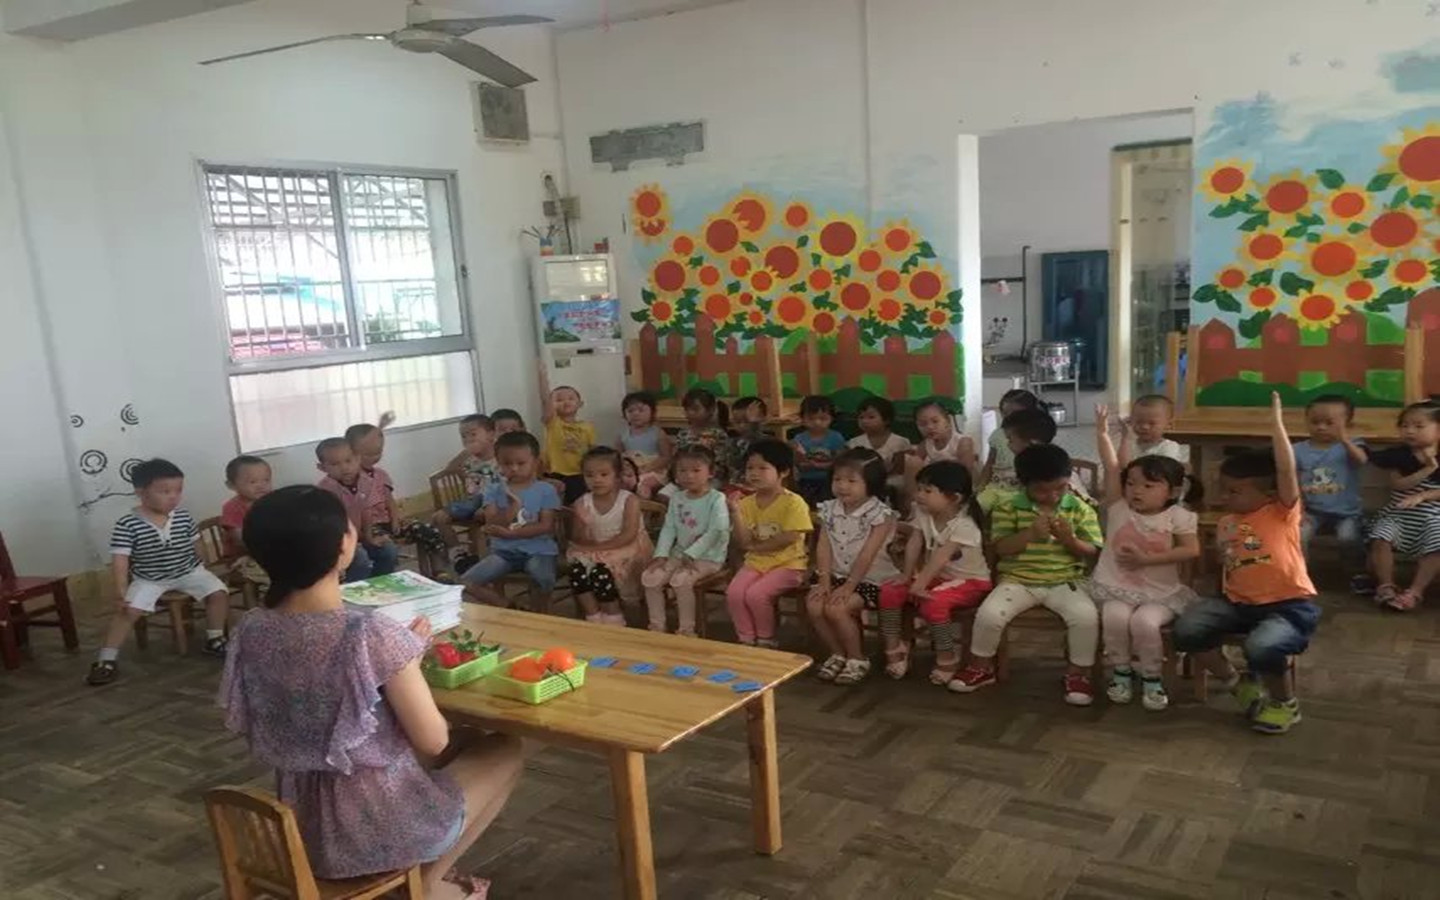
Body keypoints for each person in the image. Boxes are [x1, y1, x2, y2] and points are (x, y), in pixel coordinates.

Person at [220, 485, 524, 900]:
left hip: (301, 822)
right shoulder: (368, 633)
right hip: (377, 826)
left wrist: (401, 653)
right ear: (344, 546)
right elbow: (434, 741)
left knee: (469, 740)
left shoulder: (252, 627)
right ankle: (428, 883)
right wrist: (404, 658)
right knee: (504, 748)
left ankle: (416, 882)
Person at [1172, 392, 1319, 734]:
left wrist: (1276, 425)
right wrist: (1220, 557)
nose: (1224, 496)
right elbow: (1228, 564)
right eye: (1223, 489)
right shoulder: (1226, 522)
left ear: (1268, 493)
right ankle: (1237, 683)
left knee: (1262, 646)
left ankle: (1284, 703)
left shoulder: (1281, 512)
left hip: (1288, 605)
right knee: (1186, 629)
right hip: (1237, 603)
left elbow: (1285, 469)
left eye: (1234, 491)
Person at [949, 444, 1104, 706]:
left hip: (1066, 581)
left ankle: (1078, 675)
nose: (1053, 496)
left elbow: (1093, 551)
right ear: (1024, 484)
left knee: (1086, 618)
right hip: (1017, 580)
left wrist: (1070, 540)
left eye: (1061, 487)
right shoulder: (1008, 506)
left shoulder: (1080, 508)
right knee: (989, 614)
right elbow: (1001, 548)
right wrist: (1030, 534)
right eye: (1042, 490)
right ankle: (981, 667)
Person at [1091, 405, 1201, 711]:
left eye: (1148, 486)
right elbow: (1113, 466)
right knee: (1114, 618)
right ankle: (1121, 671)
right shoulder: (1118, 507)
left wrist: (1147, 560)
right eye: (1131, 484)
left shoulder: (1179, 516)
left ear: (1172, 492)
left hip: (1160, 592)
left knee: (1145, 623)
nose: (1136, 491)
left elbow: (1191, 550)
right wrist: (1104, 434)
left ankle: (1152, 676)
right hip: (1115, 587)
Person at [87, 459, 231, 686]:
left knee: (218, 594)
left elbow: (198, 544)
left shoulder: (183, 516)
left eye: (178, 490)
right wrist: (120, 591)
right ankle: (106, 660)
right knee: (128, 611)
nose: (173, 496)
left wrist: (207, 568)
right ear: (140, 492)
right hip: (150, 579)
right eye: (165, 491)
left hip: (189, 571)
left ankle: (215, 639)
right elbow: (120, 560)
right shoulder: (127, 524)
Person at [879, 461, 992, 685]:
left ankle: (947, 658)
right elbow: (915, 542)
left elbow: (941, 556)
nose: (919, 495)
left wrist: (920, 584)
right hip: (938, 578)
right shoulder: (924, 513)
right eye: (919, 488)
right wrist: (907, 575)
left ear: (954, 498)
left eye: (928, 491)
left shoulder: (965, 524)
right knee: (889, 591)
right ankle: (895, 649)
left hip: (971, 583)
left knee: (933, 604)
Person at [808, 449, 899, 686]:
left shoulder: (880, 514)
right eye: (837, 479)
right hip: (835, 574)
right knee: (815, 605)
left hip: (871, 579)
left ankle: (857, 658)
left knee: (836, 609)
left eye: (851, 481)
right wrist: (824, 580)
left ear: (871, 483)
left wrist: (849, 586)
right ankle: (838, 654)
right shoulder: (829, 509)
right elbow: (823, 546)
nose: (842, 486)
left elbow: (868, 554)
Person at [459, 431, 562, 610]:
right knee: (466, 582)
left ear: (535, 462)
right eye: (507, 463)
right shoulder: (493, 489)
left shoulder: (546, 490)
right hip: (503, 552)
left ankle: (539, 615)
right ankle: (511, 608)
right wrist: (514, 506)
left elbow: (546, 525)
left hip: (539, 550)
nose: (514, 468)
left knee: (544, 578)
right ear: (498, 463)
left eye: (521, 463)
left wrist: (511, 534)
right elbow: (492, 523)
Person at [727, 439, 814, 647]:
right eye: (750, 468)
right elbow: (743, 541)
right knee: (734, 593)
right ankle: (746, 638)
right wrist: (735, 512)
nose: (754, 474)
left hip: (789, 565)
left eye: (762, 468)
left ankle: (766, 639)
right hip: (756, 563)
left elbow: (790, 537)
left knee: (756, 594)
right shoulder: (746, 503)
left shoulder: (793, 502)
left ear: (783, 472)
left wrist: (755, 547)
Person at [642, 446, 730, 635]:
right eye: (682, 470)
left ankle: (686, 630)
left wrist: (692, 553)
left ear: (710, 472)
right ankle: (657, 626)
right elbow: (669, 528)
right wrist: (661, 554)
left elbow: (717, 530)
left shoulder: (717, 499)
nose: (689, 476)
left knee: (681, 580)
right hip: (679, 554)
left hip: (709, 557)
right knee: (651, 577)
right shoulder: (677, 498)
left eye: (696, 470)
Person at [1293, 394, 1370, 593]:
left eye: (1329, 423)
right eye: (1315, 422)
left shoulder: (1353, 445)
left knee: (1348, 538)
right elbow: (1293, 480)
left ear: (1347, 424)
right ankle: (1299, 574)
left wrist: (1344, 439)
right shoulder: (1298, 450)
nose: (1321, 427)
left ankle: (1357, 573)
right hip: (1312, 510)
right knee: (1299, 534)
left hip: (1347, 512)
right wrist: (1299, 508)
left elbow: (1361, 461)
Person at [567, 447, 651, 626]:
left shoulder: (629, 500)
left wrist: (597, 549)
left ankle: (613, 616)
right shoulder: (582, 502)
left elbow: (628, 536)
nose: (596, 480)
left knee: (600, 572)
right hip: (593, 547)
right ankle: (593, 615)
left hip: (626, 549)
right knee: (577, 570)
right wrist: (582, 522)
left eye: (604, 474)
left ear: (617, 476)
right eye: (589, 475)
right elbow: (578, 538)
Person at [1368, 401, 1440, 610]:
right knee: (1381, 536)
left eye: (1419, 426)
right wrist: (1427, 469)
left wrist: (1424, 496)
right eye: (1405, 425)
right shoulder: (1398, 455)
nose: (1410, 431)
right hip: (1399, 512)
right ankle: (1385, 586)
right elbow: (1397, 484)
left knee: (1438, 540)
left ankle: (1415, 592)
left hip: (1433, 514)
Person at [316, 437, 397, 582]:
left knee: (388, 550)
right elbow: (331, 523)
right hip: (338, 538)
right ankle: (354, 589)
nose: (344, 468)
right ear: (322, 468)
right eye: (335, 464)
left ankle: (379, 584)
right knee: (360, 558)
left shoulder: (365, 482)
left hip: (360, 533)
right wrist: (351, 542)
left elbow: (366, 510)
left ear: (357, 459)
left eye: (348, 461)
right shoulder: (325, 489)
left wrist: (369, 537)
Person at [432, 415, 501, 572]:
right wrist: (466, 452)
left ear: (491, 435)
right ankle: (459, 554)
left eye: (473, 434)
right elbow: (450, 468)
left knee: (483, 514)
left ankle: (492, 554)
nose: (468, 439)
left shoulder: (501, 456)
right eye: (463, 436)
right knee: (438, 517)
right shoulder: (469, 459)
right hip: (472, 501)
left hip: (495, 500)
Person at [992, 407, 1094, 508]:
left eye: (1010, 439)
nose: (1008, 445)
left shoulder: (1058, 475)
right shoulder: (1024, 467)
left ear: (1032, 444)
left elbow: (1086, 507)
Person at [538, 363, 596, 504]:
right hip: (556, 474)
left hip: (580, 474)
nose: (565, 402)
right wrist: (543, 378)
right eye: (558, 399)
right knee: (557, 508)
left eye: (570, 398)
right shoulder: (553, 423)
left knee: (578, 506)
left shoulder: (587, 427)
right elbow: (546, 400)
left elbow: (593, 452)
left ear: (580, 403)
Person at [977, 389, 1041, 509]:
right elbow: (989, 463)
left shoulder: (1035, 437)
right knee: (979, 506)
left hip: (1022, 488)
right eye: (1005, 413)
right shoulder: (997, 435)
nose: (1008, 418)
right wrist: (980, 487)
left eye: (1015, 413)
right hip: (996, 487)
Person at [904, 398, 977, 501]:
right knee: (913, 461)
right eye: (923, 424)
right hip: (936, 482)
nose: (930, 427)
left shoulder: (962, 442)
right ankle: (913, 501)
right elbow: (914, 466)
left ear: (948, 421)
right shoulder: (925, 444)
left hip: (957, 483)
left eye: (935, 421)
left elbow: (966, 472)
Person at [220, 454, 273, 590]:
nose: (261, 486)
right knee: (278, 575)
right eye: (253, 482)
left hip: (270, 551)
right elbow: (241, 541)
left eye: (266, 480)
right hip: (243, 555)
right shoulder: (232, 508)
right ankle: (273, 599)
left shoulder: (272, 501)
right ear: (231, 485)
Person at [847, 395, 911, 497]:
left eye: (871, 417)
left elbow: (899, 470)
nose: (865, 421)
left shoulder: (900, 442)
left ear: (886, 420)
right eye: (861, 417)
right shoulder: (854, 442)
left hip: (890, 480)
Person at [616, 391, 673, 499]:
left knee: (642, 485)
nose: (635, 414)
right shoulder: (622, 435)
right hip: (631, 471)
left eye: (641, 410)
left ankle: (645, 508)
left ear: (652, 412)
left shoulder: (658, 433)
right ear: (624, 414)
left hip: (654, 471)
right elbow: (617, 456)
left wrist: (647, 468)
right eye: (630, 411)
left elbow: (666, 457)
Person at [792, 395, 847, 506]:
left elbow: (840, 461)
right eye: (811, 418)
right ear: (802, 418)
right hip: (806, 481)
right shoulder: (799, 438)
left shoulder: (836, 437)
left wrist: (820, 466)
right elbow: (798, 462)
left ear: (831, 418)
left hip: (829, 480)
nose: (817, 422)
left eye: (823, 418)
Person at [675, 387, 732, 478]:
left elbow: (721, 464)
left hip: (711, 477)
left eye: (695, 409)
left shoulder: (718, 434)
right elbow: (678, 458)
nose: (690, 413)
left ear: (710, 410)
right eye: (686, 409)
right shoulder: (683, 433)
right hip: (685, 476)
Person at [1120, 394, 1190, 466]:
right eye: (1139, 422)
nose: (1144, 427)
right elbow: (1123, 466)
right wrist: (1125, 438)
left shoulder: (1169, 447)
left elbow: (1160, 471)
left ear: (1169, 424)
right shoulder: (1128, 445)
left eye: (1152, 423)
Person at [727, 395, 769, 496]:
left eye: (746, 421)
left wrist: (754, 424)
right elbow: (733, 464)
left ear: (762, 419)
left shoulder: (768, 442)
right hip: (737, 488)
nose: (742, 426)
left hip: (760, 489)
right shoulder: (733, 442)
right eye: (737, 422)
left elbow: (756, 440)